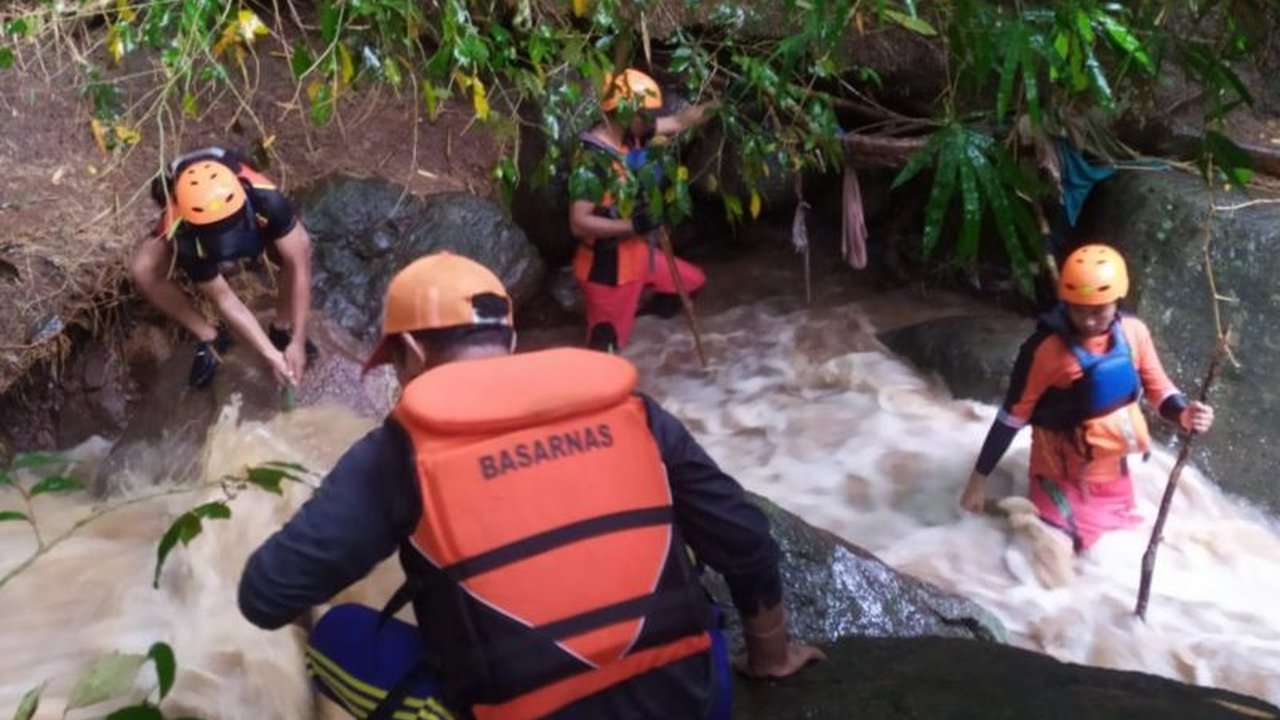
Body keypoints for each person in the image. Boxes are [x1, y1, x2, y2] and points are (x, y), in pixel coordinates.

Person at [238, 252, 823, 720]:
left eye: (395, 363)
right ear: (510, 342)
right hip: (695, 699)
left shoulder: (400, 451)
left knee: (336, 632)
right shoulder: (630, 410)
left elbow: (267, 593)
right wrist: (770, 656)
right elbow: (742, 535)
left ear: (410, 354)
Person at [959, 244, 1215, 551]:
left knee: (1129, 551)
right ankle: (1003, 511)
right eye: (1079, 309)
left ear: (1117, 302)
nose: (1089, 320)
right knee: (1062, 550)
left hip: (1113, 479)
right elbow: (1011, 418)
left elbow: (1160, 390)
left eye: (1098, 310)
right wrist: (977, 481)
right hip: (1056, 478)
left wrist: (1185, 414)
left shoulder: (1133, 333)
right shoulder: (1044, 351)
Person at [130, 146, 316, 389]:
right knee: (143, 270)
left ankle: (282, 327)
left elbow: (299, 265)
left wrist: (298, 341)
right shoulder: (181, 230)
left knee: (300, 244)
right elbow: (225, 298)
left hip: (240, 191)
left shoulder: (266, 198)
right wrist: (269, 355)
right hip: (186, 206)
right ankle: (211, 337)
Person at [568, 68, 716, 352]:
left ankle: (649, 338)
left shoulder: (629, 133)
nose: (650, 120)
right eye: (645, 114)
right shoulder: (592, 160)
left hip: (639, 256)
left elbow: (681, 121)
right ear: (625, 112)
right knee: (606, 355)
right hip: (608, 270)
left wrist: (723, 106)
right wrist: (633, 225)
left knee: (691, 283)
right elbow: (579, 222)